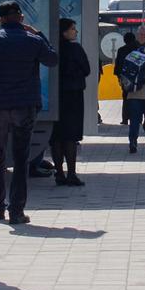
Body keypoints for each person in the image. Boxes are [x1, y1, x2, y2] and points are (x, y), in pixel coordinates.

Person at [0, 1, 57, 225]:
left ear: (0, 19)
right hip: (25, 106)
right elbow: (52, 59)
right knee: (21, 159)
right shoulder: (33, 41)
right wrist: (39, 33)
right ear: (21, 17)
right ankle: (17, 211)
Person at [51, 18, 90, 186]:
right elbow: (87, 69)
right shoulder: (75, 49)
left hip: (55, 96)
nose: (76, 31)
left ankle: (59, 172)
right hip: (73, 96)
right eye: (73, 29)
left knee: (56, 136)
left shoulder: (52, 48)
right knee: (71, 136)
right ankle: (71, 173)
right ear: (64, 31)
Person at [113, 31, 139, 125]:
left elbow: (118, 64)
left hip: (125, 78)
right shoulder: (138, 49)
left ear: (125, 40)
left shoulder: (122, 50)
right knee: (137, 98)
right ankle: (137, 119)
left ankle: (125, 119)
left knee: (126, 97)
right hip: (137, 77)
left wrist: (118, 76)